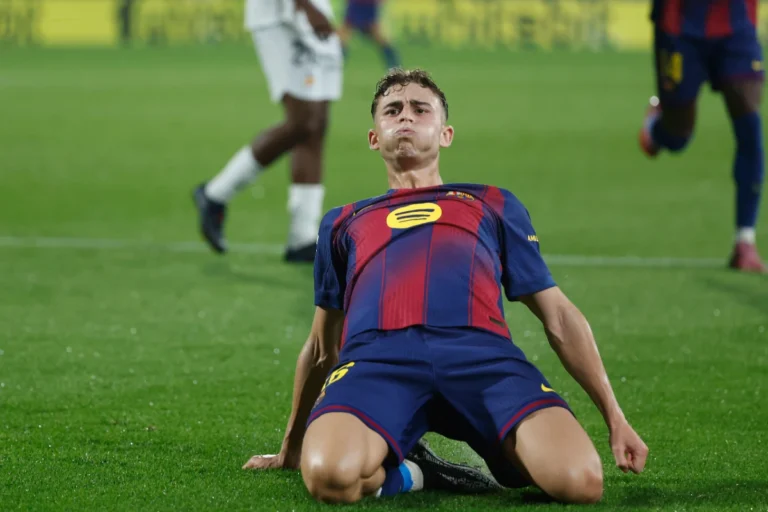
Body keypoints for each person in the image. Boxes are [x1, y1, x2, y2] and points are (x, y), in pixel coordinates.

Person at [243, 69, 649, 504]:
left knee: (580, 482)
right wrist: (292, 448)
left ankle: (483, 452)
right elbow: (323, 346)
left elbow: (559, 315)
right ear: (374, 138)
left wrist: (615, 418)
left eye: (421, 109)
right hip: (379, 362)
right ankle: (415, 472)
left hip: (483, 360)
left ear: (445, 133)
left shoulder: (492, 203)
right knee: (329, 478)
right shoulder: (342, 222)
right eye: (392, 110)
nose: (406, 117)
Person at [194, 0, 343, 262]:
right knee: (302, 121)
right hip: (280, 14)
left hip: (311, 11)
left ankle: (302, 236)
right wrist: (306, 6)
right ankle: (215, 194)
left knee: (316, 125)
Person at [639, 0, 765, 272]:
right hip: (679, 26)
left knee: (750, 126)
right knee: (678, 135)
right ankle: (656, 132)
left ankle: (745, 241)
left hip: (736, 26)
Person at [338, 0, 401, 69]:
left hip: (369, 4)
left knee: (377, 34)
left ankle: (393, 63)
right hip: (355, 4)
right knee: (344, 32)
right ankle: (337, 61)